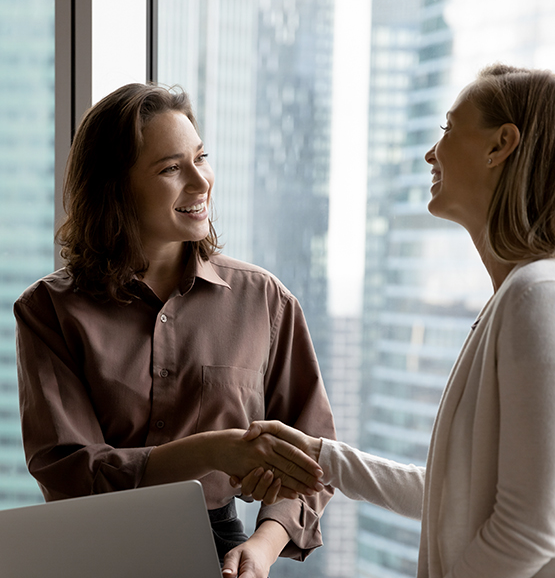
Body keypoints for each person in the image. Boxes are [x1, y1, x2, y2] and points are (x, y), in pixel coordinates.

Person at [232, 64, 555, 577]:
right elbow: (454, 493)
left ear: (501, 145)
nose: (432, 152)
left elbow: (531, 530)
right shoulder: (514, 298)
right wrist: (321, 457)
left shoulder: (536, 293)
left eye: (449, 130)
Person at [14, 83, 336, 578]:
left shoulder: (265, 301)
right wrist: (210, 450)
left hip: (221, 553)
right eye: (170, 168)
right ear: (114, 188)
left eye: (201, 158)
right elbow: (70, 470)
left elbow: (315, 455)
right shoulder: (49, 311)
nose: (200, 181)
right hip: (90, 552)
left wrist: (264, 545)